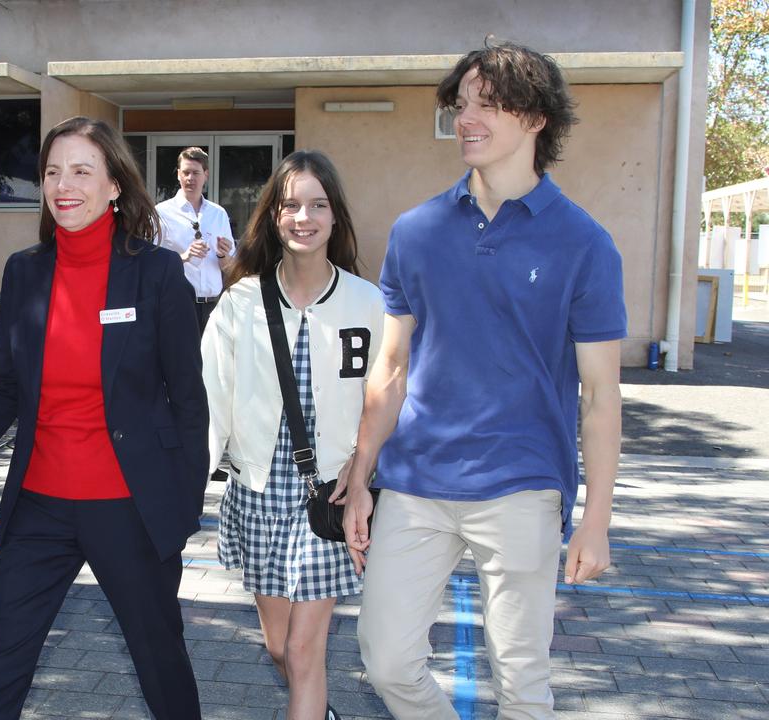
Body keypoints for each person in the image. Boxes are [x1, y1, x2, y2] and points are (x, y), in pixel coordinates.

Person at [340, 41, 625, 719]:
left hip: (522, 484)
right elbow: (391, 367)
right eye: (461, 104)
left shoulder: (584, 243)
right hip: (415, 483)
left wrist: (597, 521)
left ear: (535, 120)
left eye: (488, 105)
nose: (467, 118)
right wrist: (360, 474)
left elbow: (602, 395)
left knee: (522, 680)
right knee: (385, 659)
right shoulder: (417, 231)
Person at [0, 116, 208, 719]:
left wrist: (179, 509)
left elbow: (189, 403)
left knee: (161, 667)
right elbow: (1, 397)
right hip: (38, 509)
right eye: (51, 171)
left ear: (115, 184)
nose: (62, 185)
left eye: (80, 171)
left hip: (130, 508)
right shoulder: (25, 272)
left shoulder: (156, 274)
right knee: (1, 670)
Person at [202, 150, 384, 720]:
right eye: (291, 205)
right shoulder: (241, 302)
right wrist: (184, 487)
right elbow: (210, 397)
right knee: (280, 648)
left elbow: (387, 401)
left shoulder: (368, 302)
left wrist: (363, 475)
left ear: (335, 216)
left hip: (326, 495)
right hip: (257, 490)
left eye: (317, 205)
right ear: (273, 216)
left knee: (305, 650)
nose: (303, 218)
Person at [156, 147, 236, 331]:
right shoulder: (161, 213)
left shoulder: (218, 214)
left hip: (213, 306)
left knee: (212, 360)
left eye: (195, 173)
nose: (190, 178)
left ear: (205, 175)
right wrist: (183, 257)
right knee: (182, 360)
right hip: (177, 305)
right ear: (178, 175)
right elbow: (150, 261)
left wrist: (223, 255)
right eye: (186, 172)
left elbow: (230, 268)